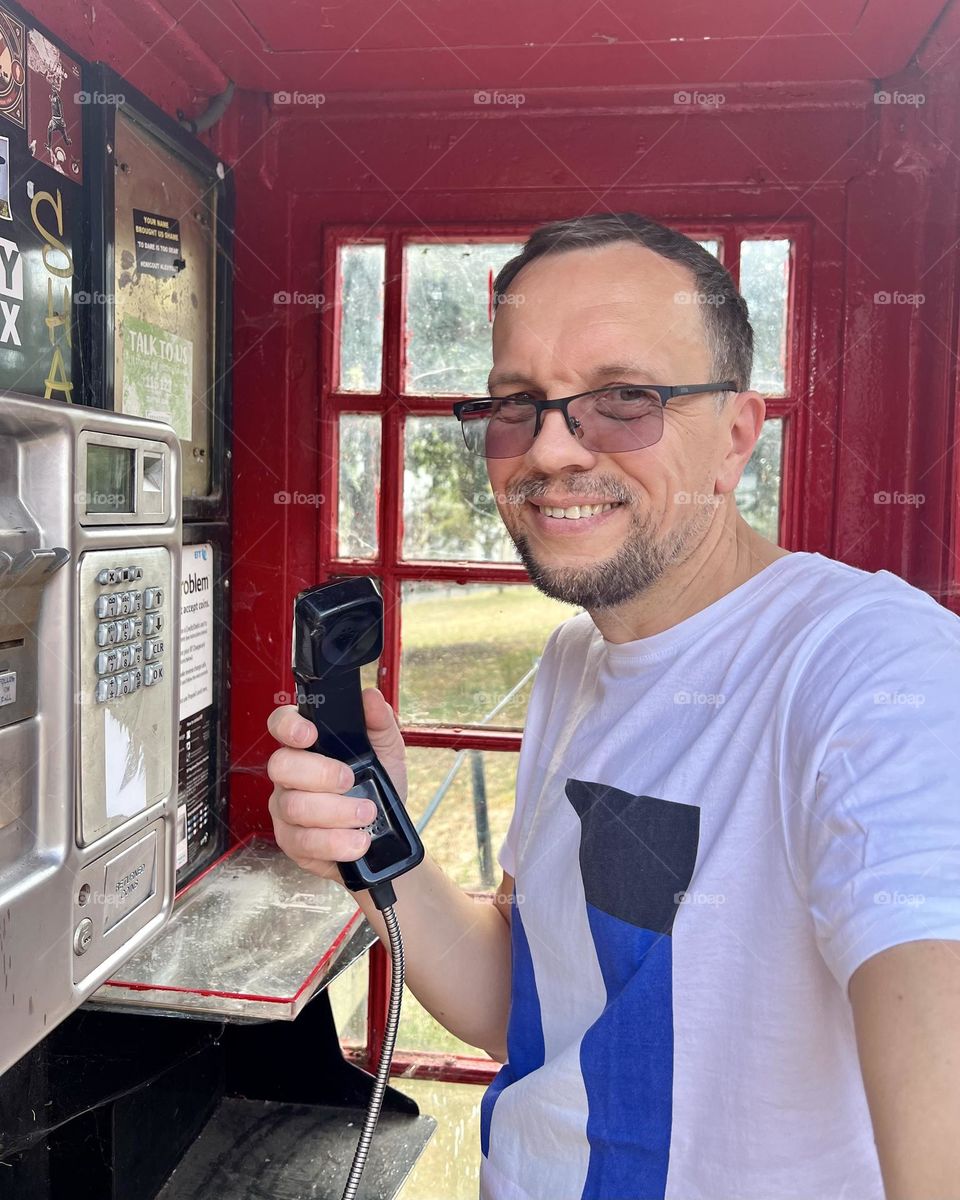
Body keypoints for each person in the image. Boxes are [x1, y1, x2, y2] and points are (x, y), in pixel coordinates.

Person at [267, 213, 960, 1200]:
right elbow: (527, 994)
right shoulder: (576, 657)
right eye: (517, 404)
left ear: (734, 436)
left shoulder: (872, 670)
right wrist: (376, 828)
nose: (549, 451)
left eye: (623, 398)